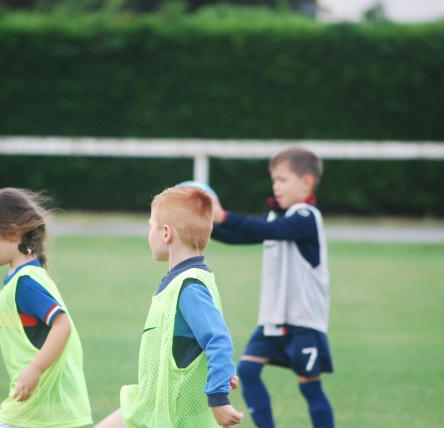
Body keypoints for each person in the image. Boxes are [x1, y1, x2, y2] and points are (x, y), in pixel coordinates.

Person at [96, 186, 243, 428]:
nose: (149, 232)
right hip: (150, 405)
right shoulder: (180, 281)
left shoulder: (190, 287)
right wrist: (223, 371)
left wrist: (218, 398)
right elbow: (194, 344)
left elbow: (217, 338)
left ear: (165, 233)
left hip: (175, 415)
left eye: (150, 225)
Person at [211, 147, 334, 428]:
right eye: (274, 180)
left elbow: (269, 230)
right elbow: (240, 236)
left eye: (282, 179)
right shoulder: (276, 219)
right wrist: (202, 223)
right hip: (273, 320)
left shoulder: (305, 217)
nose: (275, 186)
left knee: (310, 387)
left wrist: (225, 216)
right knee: (248, 373)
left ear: (306, 182)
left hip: (303, 321)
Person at [0, 187, 92, 428]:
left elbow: (62, 324)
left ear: (14, 234)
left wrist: (34, 370)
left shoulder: (26, 282)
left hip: (38, 404)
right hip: (39, 404)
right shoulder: (21, 277)